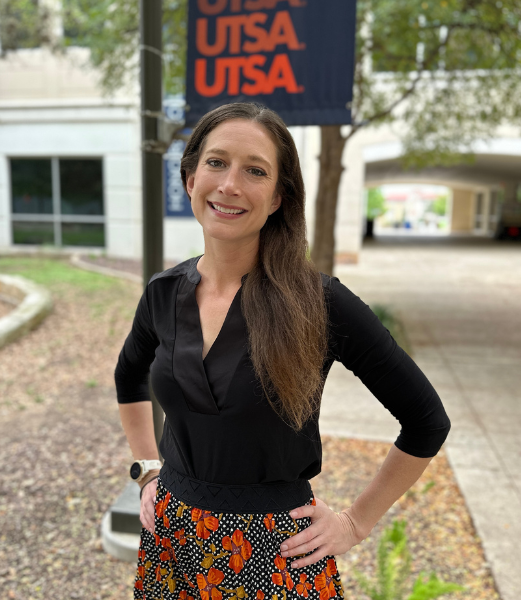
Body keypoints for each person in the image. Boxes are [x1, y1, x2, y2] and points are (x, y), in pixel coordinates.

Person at [114, 102, 451, 600]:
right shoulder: (163, 293)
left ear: (277, 198)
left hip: (274, 556)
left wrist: (355, 523)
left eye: (255, 170)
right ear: (190, 179)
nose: (230, 184)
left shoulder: (320, 303)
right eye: (216, 162)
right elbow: (129, 378)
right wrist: (147, 469)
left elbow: (427, 420)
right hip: (173, 542)